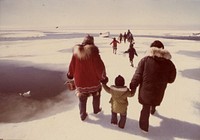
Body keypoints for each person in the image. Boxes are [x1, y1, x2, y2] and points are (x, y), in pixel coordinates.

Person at [129, 40, 176, 132]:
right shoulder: (169, 63)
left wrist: (133, 84)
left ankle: (144, 129)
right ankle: (153, 109)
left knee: (145, 107)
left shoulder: (145, 60)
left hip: (146, 91)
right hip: (159, 91)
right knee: (154, 100)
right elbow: (171, 79)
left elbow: (138, 74)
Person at [67, 34, 108, 121]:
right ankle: (96, 110)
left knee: (82, 98)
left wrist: (70, 75)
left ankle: (83, 115)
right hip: (93, 82)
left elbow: (72, 66)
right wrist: (103, 78)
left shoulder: (76, 53)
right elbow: (100, 68)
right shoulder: (93, 52)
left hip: (80, 82)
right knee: (96, 95)